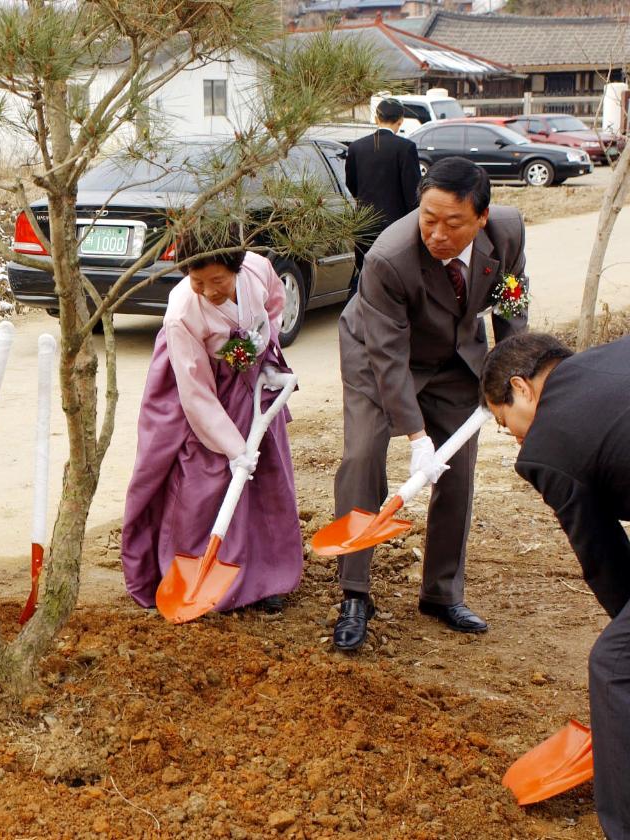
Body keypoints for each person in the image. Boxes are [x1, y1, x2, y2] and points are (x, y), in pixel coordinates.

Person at [330, 156, 527, 651]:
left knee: (457, 467)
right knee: (363, 456)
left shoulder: (508, 234)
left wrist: (511, 377)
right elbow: (390, 358)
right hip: (377, 353)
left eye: (452, 222)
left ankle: (441, 592)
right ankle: (354, 594)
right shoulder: (388, 258)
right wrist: (418, 438)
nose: (437, 233)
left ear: (481, 217)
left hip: (455, 356)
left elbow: (511, 307)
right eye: (427, 218)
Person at [480, 332, 630, 840]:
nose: (515, 438)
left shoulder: (549, 445)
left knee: (615, 666)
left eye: (505, 424)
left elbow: (602, 557)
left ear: (521, 388)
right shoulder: (615, 355)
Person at [121, 233, 301, 613]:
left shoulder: (257, 269)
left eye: (218, 281)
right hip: (198, 386)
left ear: (237, 266)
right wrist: (234, 448)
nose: (208, 291)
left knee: (265, 471)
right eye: (197, 281)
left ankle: (266, 576)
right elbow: (196, 393)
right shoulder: (183, 312)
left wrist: (266, 355)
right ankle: (190, 571)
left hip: (248, 378)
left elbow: (273, 307)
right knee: (206, 477)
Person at [345, 98, 421, 286]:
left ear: (376, 118)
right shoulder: (405, 148)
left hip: (365, 223)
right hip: (397, 225)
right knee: (396, 278)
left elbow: (351, 183)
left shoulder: (356, 147)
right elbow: (413, 192)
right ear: (400, 120)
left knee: (365, 275)